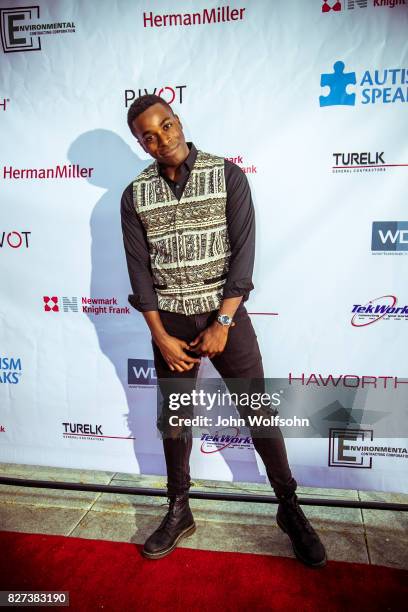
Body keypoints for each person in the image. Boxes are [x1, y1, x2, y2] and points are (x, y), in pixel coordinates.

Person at [120, 94, 327, 568]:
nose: (161, 139)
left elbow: (244, 254)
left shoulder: (226, 173)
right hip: (169, 325)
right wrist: (160, 336)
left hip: (225, 317)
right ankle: (179, 509)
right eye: (148, 135)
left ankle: (290, 508)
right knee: (173, 421)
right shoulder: (134, 194)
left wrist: (224, 322)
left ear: (179, 122)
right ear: (141, 143)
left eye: (166, 126)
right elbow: (138, 273)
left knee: (258, 411)